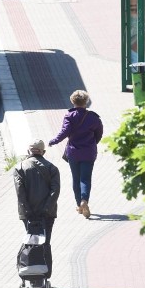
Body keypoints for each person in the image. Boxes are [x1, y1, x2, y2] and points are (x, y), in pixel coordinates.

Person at [49, 90, 103, 218]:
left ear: (73, 101)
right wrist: (93, 143)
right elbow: (99, 133)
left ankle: (79, 205)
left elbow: (64, 132)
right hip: (89, 152)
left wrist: (54, 141)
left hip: (73, 152)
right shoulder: (93, 117)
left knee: (76, 178)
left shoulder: (70, 116)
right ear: (86, 101)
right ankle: (85, 200)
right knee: (85, 178)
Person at [13, 139, 60, 284]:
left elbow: (20, 193)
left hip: (28, 215)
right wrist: (45, 209)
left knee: (31, 242)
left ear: (29, 151)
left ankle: (32, 276)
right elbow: (55, 191)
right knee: (45, 243)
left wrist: (28, 211)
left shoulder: (19, 168)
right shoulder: (52, 168)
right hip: (47, 214)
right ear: (43, 152)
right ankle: (43, 275)